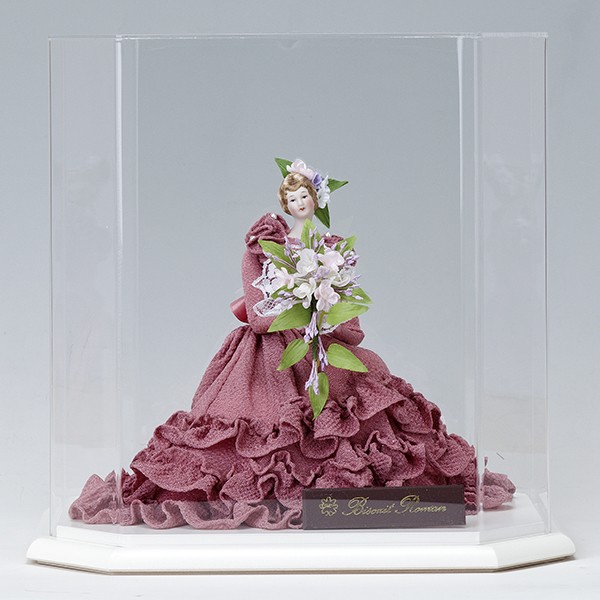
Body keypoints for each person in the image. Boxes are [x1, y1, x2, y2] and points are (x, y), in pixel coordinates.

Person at [68, 162, 515, 530]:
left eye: (306, 197)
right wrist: (300, 307)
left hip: (320, 341)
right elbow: (258, 314)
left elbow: (349, 317)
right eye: (293, 198)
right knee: (255, 419)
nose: (301, 204)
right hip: (268, 351)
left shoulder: (328, 248)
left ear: (317, 200)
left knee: (358, 396)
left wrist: (324, 309)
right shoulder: (262, 248)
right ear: (285, 203)